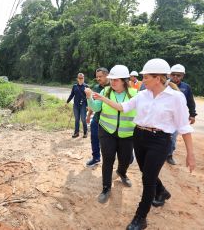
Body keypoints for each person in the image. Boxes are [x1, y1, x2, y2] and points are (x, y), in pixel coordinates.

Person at [91, 58, 195, 230]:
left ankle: (141, 217)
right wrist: (102, 97)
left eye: (146, 77)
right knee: (146, 172)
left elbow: (184, 127)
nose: (141, 80)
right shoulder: (142, 95)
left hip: (160, 141)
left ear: (158, 78)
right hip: (139, 137)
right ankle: (162, 191)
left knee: (147, 179)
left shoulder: (176, 98)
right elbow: (121, 107)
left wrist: (190, 154)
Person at [84, 65, 137, 204]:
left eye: (116, 80)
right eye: (111, 79)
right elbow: (96, 107)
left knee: (126, 159)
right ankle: (106, 188)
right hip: (107, 131)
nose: (112, 82)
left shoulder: (134, 93)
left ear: (125, 80)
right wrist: (90, 98)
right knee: (108, 160)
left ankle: (122, 172)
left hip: (127, 134)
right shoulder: (106, 91)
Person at [167, 64, 197, 165]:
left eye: (178, 75)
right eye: (173, 74)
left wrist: (192, 114)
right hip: (164, 116)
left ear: (182, 76)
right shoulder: (164, 85)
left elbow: (190, 102)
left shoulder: (186, 87)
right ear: (169, 75)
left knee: (173, 138)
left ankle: (169, 155)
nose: (175, 77)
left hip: (177, 118)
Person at [86, 67, 109, 167]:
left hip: (109, 120)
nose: (98, 79)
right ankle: (96, 158)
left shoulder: (114, 87)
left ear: (107, 76)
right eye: (97, 77)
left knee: (107, 142)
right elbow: (93, 104)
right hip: (96, 118)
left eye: (100, 76)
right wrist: (88, 115)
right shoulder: (96, 87)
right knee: (94, 138)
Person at [66, 73, 89, 138]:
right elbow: (72, 95)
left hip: (83, 105)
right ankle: (76, 133)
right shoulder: (74, 86)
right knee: (77, 119)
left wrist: (88, 105)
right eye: (80, 78)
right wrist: (67, 102)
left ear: (84, 78)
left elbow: (88, 97)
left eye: (82, 78)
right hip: (76, 105)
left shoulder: (86, 86)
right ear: (77, 79)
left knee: (83, 119)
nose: (81, 79)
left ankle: (85, 132)